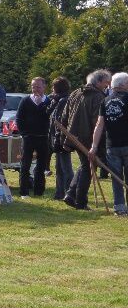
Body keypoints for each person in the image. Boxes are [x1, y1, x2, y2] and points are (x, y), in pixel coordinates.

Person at [62, 69, 112, 210]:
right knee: (88, 168)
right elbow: (98, 122)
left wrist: (64, 138)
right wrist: (99, 142)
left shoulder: (75, 93)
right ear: (99, 81)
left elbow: (64, 117)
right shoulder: (98, 97)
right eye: (106, 83)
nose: (107, 86)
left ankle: (71, 194)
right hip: (87, 137)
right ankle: (80, 201)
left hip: (74, 136)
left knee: (85, 165)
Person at [90, 72, 128, 216]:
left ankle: (119, 207)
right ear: (123, 85)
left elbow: (99, 125)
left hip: (111, 146)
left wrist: (94, 146)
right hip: (126, 144)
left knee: (116, 177)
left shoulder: (106, 100)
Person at [16, 77, 51, 198]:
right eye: (33, 86)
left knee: (41, 166)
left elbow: (50, 117)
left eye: (38, 87)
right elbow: (19, 118)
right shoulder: (26, 100)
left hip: (43, 137)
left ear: (44, 87)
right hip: (29, 137)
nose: (35, 89)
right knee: (25, 165)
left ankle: (39, 191)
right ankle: (24, 191)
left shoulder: (48, 101)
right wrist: (24, 133)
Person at [46, 77, 72, 200]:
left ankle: (69, 193)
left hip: (61, 138)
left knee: (65, 168)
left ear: (56, 88)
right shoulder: (57, 100)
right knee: (59, 168)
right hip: (56, 137)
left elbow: (59, 122)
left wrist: (57, 140)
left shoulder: (64, 101)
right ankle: (59, 193)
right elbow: (48, 114)